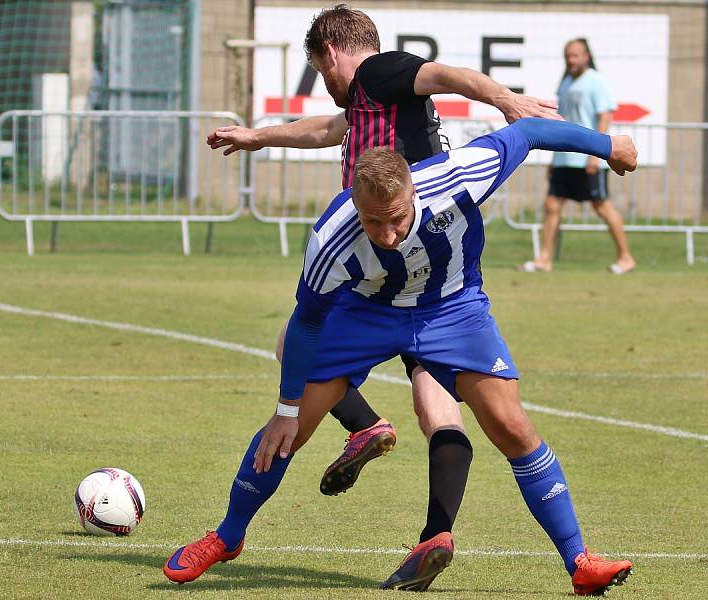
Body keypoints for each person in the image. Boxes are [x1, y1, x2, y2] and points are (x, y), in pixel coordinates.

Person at [166, 116, 637, 596]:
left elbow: (528, 133)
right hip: (366, 313)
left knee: (512, 427)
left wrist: (607, 145)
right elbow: (307, 321)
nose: (388, 234)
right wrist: (287, 406)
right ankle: (227, 537)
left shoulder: (459, 176)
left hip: (452, 308)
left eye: (396, 218)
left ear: (413, 194)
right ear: (355, 203)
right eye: (373, 221)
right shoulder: (330, 239)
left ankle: (579, 562)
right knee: (286, 431)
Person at [208, 7, 562, 582]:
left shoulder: (377, 72)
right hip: (427, 268)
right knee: (437, 405)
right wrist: (258, 136)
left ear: (331, 52)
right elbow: (326, 131)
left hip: (393, 262)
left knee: (296, 344)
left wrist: (505, 99)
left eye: (320, 68)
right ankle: (434, 535)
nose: (325, 81)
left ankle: (364, 428)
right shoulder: (372, 106)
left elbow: (445, 75)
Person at [519, 38, 636, 274]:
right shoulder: (565, 83)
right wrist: (554, 158)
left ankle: (626, 257)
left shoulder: (595, 81)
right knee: (551, 204)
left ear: (586, 56)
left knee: (602, 207)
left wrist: (598, 154)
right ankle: (544, 259)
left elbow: (604, 115)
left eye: (575, 55)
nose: (571, 60)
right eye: (567, 56)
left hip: (588, 156)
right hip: (565, 158)